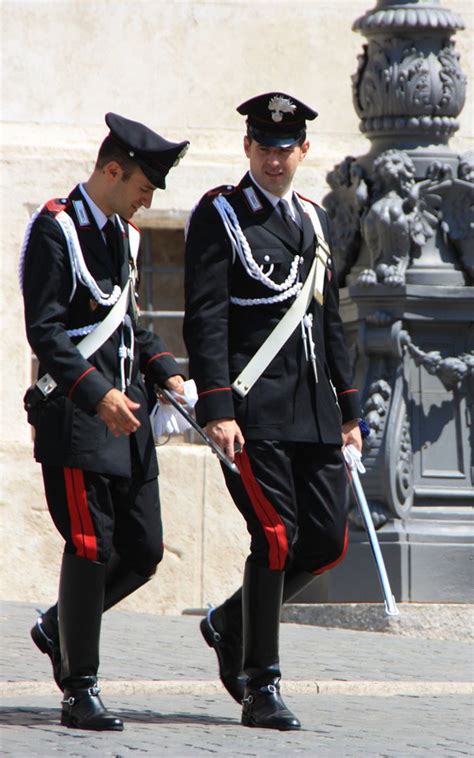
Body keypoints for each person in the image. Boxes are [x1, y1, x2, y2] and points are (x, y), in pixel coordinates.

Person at [183, 92, 362, 731]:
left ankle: (229, 621)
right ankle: (261, 681)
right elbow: (205, 315)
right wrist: (217, 407)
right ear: (247, 148)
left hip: (313, 410)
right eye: (265, 147)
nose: (276, 159)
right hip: (255, 412)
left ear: (303, 150)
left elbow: (329, 321)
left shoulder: (313, 221)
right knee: (277, 536)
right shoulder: (221, 215)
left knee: (328, 540)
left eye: (286, 148)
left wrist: (347, 411)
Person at [21, 113, 189, 731]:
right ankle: (80, 687)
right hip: (78, 414)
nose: (149, 198)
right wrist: (97, 395)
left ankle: (56, 623)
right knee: (91, 546)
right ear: (112, 171)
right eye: (145, 185)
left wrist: (167, 371)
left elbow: (130, 323)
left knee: (142, 550)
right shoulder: (55, 229)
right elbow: (46, 330)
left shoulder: (128, 236)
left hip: (131, 412)